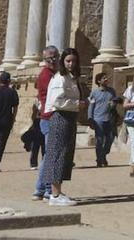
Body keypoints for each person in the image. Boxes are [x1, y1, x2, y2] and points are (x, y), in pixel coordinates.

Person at [43, 47, 86, 206]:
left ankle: (57, 191)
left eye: (73, 61)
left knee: (65, 154)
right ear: (63, 61)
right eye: (68, 61)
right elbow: (56, 101)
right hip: (60, 116)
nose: (71, 64)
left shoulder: (71, 78)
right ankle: (54, 194)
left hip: (69, 117)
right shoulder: (59, 78)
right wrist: (77, 104)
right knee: (57, 153)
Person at [32, 46, 59, 200]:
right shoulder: (46, 76)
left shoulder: (52, 74)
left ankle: (40, 189)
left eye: (55, 56)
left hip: (47, 117)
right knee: (50, 156)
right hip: (49, 118)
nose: (53, 59)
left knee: (48, 155)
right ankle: (47, 188)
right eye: (50, 57)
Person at [88, 73, 118, 167]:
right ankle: (100, 159)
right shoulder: (94, 93)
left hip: (109, 119)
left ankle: (103, 154)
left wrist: (114, 104)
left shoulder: (112, 91)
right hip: (98, 120)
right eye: (103, 78)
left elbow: (115, 103)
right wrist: (90, 118)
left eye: (106, 77)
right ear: (98, 81)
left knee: (110, 138)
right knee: (99, 140)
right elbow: (91, 106)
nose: (106, 79)